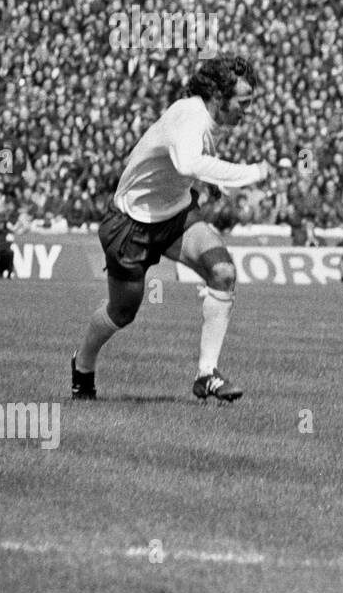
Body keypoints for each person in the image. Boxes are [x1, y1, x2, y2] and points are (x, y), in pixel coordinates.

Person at [70, 56, 270, 402]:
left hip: (176, 214)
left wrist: (211, 185)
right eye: (244, 103)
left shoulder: (205, 118)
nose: (247, 111)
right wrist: (250, 173)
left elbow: (190, 165)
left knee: (222, 273)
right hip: (131, 223)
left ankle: (207, 375)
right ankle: (83, 363)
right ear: (219, 96)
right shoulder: (190, 116)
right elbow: (188, 161)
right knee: (123, 312)